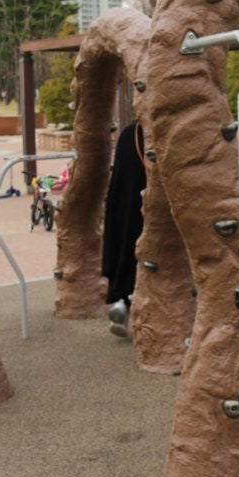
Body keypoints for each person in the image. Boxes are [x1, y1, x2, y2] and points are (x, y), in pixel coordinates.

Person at [101, 122, 146, 338]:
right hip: (149, 207)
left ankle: (122, 301)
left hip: (125, 207)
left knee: (126, 243)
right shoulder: (160, 131)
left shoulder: (130, 133)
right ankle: (129, 303)